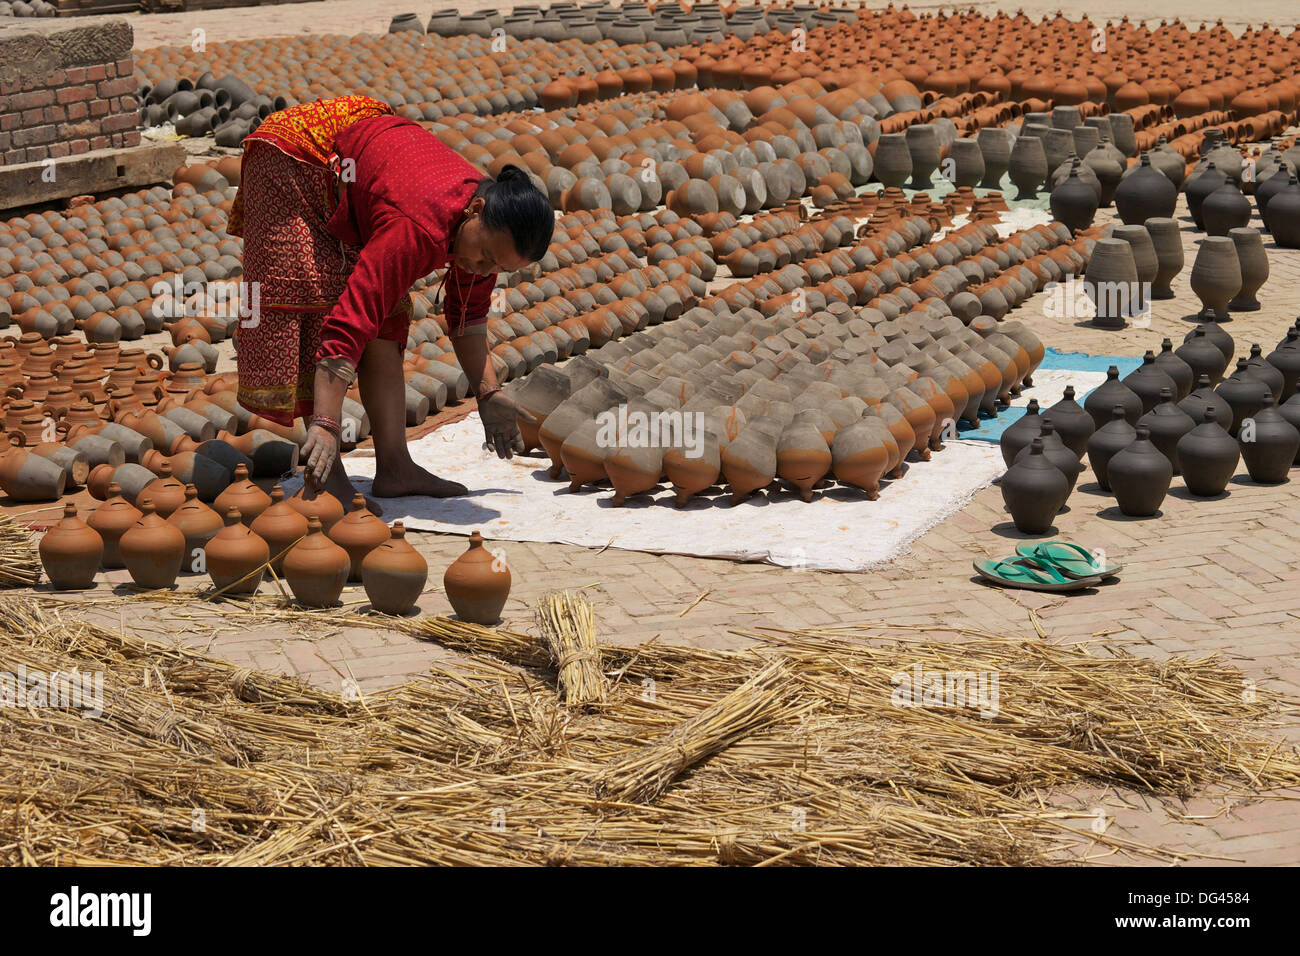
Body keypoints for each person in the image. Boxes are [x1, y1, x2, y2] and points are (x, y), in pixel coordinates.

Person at [228, 94, 554, 507]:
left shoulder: (485, 233)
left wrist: (488, 393)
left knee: (390, 315)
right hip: (297, 158)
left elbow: (468, 314)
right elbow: (349, 320)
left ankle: (396, 467)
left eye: (498, 269)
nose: (483, 270)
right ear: (475, 208)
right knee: (320, 300)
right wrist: (329, 423)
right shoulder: (418, 226)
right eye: (486, 258)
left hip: (362, 161)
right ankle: (327, 473)